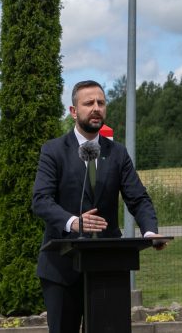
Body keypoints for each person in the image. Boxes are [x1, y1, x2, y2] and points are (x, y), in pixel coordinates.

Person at [32, 80, 165, 333]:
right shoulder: (53, 151)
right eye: (89, 103)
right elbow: (41, 200)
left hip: (107, 269)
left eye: (101, 103)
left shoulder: (117, 153)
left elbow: (138, 198)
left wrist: (149, 231)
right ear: (73, 111)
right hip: (61, 270)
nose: (96, 108)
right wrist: (73, 222)